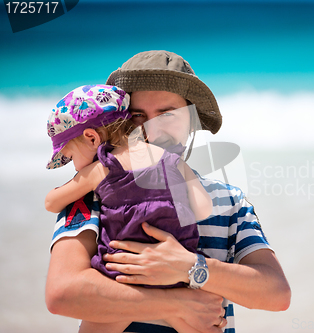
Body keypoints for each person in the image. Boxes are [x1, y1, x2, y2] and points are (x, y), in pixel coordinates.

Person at [45, 51, 291, 333]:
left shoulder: (229, 201)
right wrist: (174, 304)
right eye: (138, 116)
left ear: (191, 120)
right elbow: (62, 293)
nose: (152, 129)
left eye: (168, 114)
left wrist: (190, 266)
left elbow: (277, 294)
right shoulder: (94, 193)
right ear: (119, 121)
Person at [45, 84, 213, 333]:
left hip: (123, 275)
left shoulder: (103, 168)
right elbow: (203, 209)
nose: (72, 164)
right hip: (176, 274)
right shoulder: (173, 160)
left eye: (69, 155)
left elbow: (52, 202)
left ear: (91, 137)